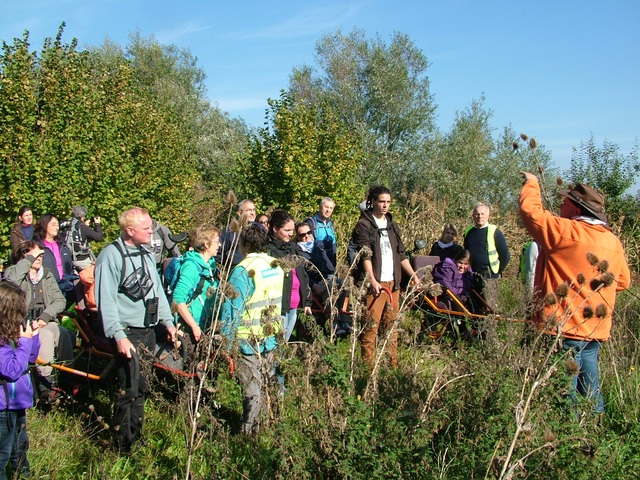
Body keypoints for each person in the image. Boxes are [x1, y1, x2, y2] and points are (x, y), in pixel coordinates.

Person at [519, 172, 631, 415]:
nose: (561, 204)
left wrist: (531, 183)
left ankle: (568, 438)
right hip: (595, 330)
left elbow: (530, 212)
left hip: (564, 326)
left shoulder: (566, 230)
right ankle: (595, 430)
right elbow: (622, 281)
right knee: (591, 388)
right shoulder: (613, 241)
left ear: (576, 206)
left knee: (564, 392)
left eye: (564, 201)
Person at [94, 207, 177, 453]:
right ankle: (122, 446)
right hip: (127, 332)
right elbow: (105, 301)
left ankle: (136, 436)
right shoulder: (111, 256)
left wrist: (168, 322)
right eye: (146, 228)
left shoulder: (146, 253)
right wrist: (118, 336)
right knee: (129, 387)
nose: (152, 232)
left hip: (149, 330)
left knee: (142, 385)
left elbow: (157, 291)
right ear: (130, 231)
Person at [219, 225, 284, 434]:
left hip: (248, 338)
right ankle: (267, 424)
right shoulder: (275, 265)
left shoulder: (243, 270)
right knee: (266, 381)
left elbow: (231, 309)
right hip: (270, 334)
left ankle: (248, 432)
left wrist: (227, 344)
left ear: (244, 244)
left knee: (252, 388)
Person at [351, 185, 421, 369]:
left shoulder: (392, 226)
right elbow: (364, 254)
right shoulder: (363, 225)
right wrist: (372, 280)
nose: (385, 205)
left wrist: (414, 276)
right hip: (375, 285)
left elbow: (402, 255)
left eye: (388, 202)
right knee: (370, 328)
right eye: (381, 201)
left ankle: (393, 368)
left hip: (393, 283)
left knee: (392, 328)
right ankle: (368, 371)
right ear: (372, 201)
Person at [3, 241, 72, 403]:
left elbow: (59, 300)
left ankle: (68, 378)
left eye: (41, 255)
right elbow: (10, 282)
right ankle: (46, 386)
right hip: (22, 323)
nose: (40, 258)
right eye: (35, 255)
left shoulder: (46, 275)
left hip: (43, 319)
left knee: (64, 334)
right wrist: (27, 261)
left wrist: (45, 316)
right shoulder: (14, 272)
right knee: (46, 336)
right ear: (23, 257)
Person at [0, 281, 40, 480]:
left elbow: (29, 360)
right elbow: (12, 371)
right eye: (19, 310)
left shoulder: (13, 333)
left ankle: (23, 476)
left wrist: (33, 337)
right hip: (3, 408)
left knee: (20, 450)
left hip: (18, 404)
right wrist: (24, 342)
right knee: (2, 455)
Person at [266, 211, 312, 342]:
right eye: (287, 230)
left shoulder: (293, 248)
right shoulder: (268, 250)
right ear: (275, 228)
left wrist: (307, 301)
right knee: (275, 344)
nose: (291, 234)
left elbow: (303, 275)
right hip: (278, 306)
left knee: (284, 342)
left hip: (295, 304)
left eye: (292, 230)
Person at [171, 224, 220, 344]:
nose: (220, 245)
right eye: (217, 242)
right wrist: (194, 326)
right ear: (206, 244)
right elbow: (177, 299)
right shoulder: (191, 266)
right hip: (193, 331)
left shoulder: (211, 265)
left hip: (208, 326)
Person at [463, 203, 510, 311]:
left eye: (482, 214)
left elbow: (505, 255)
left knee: (490, 309)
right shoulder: (468, 232)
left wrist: (497, 272)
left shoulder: (494, 232)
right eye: (477, 214)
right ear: (473, 216)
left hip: (489, 278)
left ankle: (490, 328)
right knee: (474, 309)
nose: (480, 216)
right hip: (472, 277)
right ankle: (476, 328)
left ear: (488, 215)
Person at [34, 214, 78, 300]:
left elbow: (70, 267)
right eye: (53, 225)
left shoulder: (62, 246)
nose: (57, 228)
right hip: (47, 289)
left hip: (66, 287)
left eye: (58, 225)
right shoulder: (36, 246)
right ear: (44, 225)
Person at [218, 199, 258, 269]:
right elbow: (218, 252)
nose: (252, 213)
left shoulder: (259, 230)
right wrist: (228, 265)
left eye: (254, 210)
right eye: (249, 210)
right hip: (236, 271)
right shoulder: (230, 231)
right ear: (240, 213)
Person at [65, 206, 104, 272]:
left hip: (68, 260)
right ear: (82, 216)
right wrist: (97, 224)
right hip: (82, 260)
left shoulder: (67, 225)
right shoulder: (82, 227)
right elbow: (99, 237)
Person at [305, 197, 337, 267]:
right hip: (316, 264)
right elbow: (306, 246)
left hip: (330, 263)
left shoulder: (330, 224)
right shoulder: (311, 223)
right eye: (326, 207)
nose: (328, 210)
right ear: (320, 207)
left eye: (331, 208)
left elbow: (333, 246)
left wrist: (334, 265)